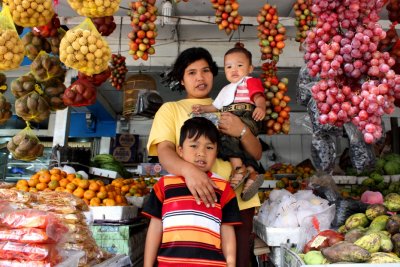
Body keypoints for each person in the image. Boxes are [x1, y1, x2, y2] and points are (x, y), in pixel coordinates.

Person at [147, 47, 262, 267]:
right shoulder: (170, 109)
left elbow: (256, 153)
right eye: (191, 72)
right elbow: (165, 151)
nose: (200, 77)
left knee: (238, 262)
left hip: (238, 200)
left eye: (206, 70)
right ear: (181, 79)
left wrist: (242, 130)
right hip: (192, 202)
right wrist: (190, 172)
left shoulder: (228, 107)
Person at [143, 117, 241, 267]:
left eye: (209, 147)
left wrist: (231, 264)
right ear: (180, 151)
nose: (201, 153)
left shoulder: (223, 188)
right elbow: (155, 228)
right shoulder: (164, 185)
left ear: (217, 152)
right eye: (194, 146)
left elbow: (227, 230)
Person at [192, 45, 266, 201]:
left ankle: (238, 168)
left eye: (240, 65)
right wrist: (203, 108)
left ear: (250, 68)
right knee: (235, 143)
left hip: (247, 115)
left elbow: (259, 97)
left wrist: (260, 106)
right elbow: (215, 106)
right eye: (229, 66)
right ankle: (252, 172)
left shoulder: (250, 81)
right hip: (231, 117)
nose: (234, 70)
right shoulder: (225, 89)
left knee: (226, 138)